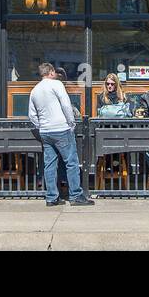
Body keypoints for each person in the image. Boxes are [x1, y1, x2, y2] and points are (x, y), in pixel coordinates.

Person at [27, 62, 94, 206]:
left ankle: (51, 198)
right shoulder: (57, 85)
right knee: (71, 163)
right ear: (51, 72)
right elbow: (65, 105)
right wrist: (71, 123)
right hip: (61, 129)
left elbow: (32, 115)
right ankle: (75, 195)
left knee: (49, 164)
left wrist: (41, 126)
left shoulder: (35, 90)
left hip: (45, 131)